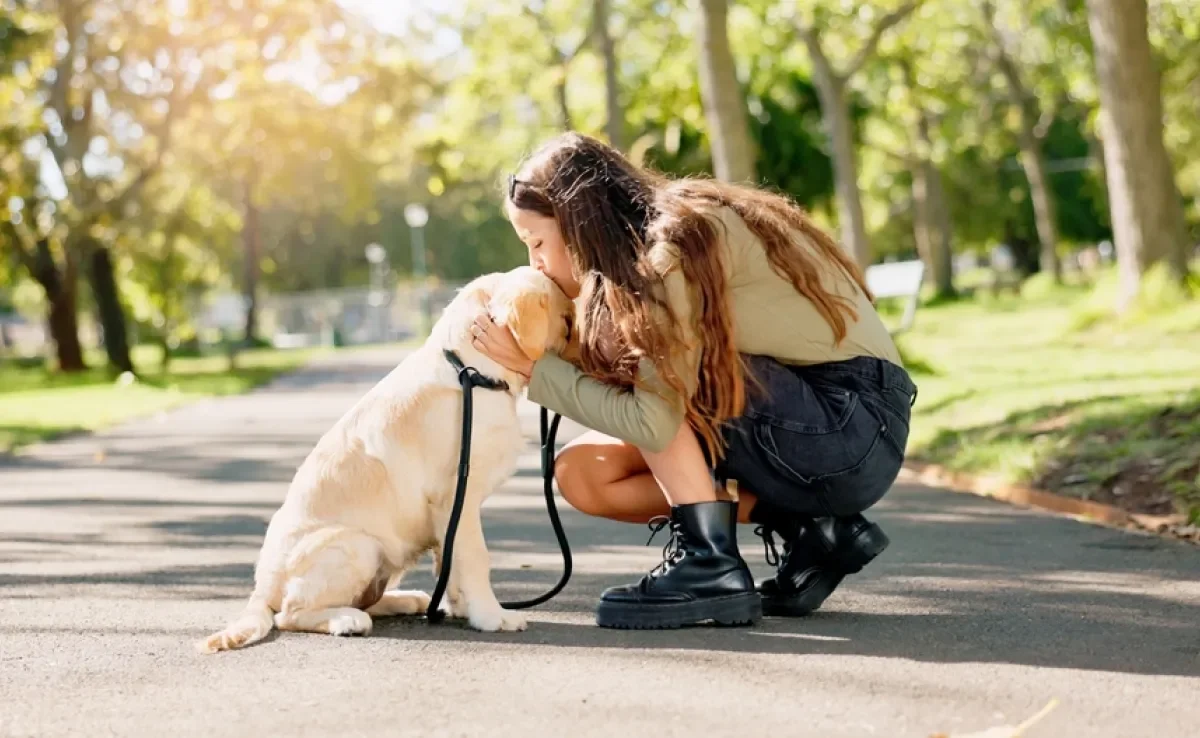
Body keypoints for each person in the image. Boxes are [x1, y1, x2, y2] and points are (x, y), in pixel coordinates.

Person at [469, 132, 917, 630]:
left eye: (537, 243)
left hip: (849, 426)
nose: (535, 263)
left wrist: (534, 371)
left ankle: (710, 565)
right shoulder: (653, 246)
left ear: (578, 222)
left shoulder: (670, 250)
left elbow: (655, 422)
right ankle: (815, 528)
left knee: (648, 363)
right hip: (827, 426)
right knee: (584, 473)